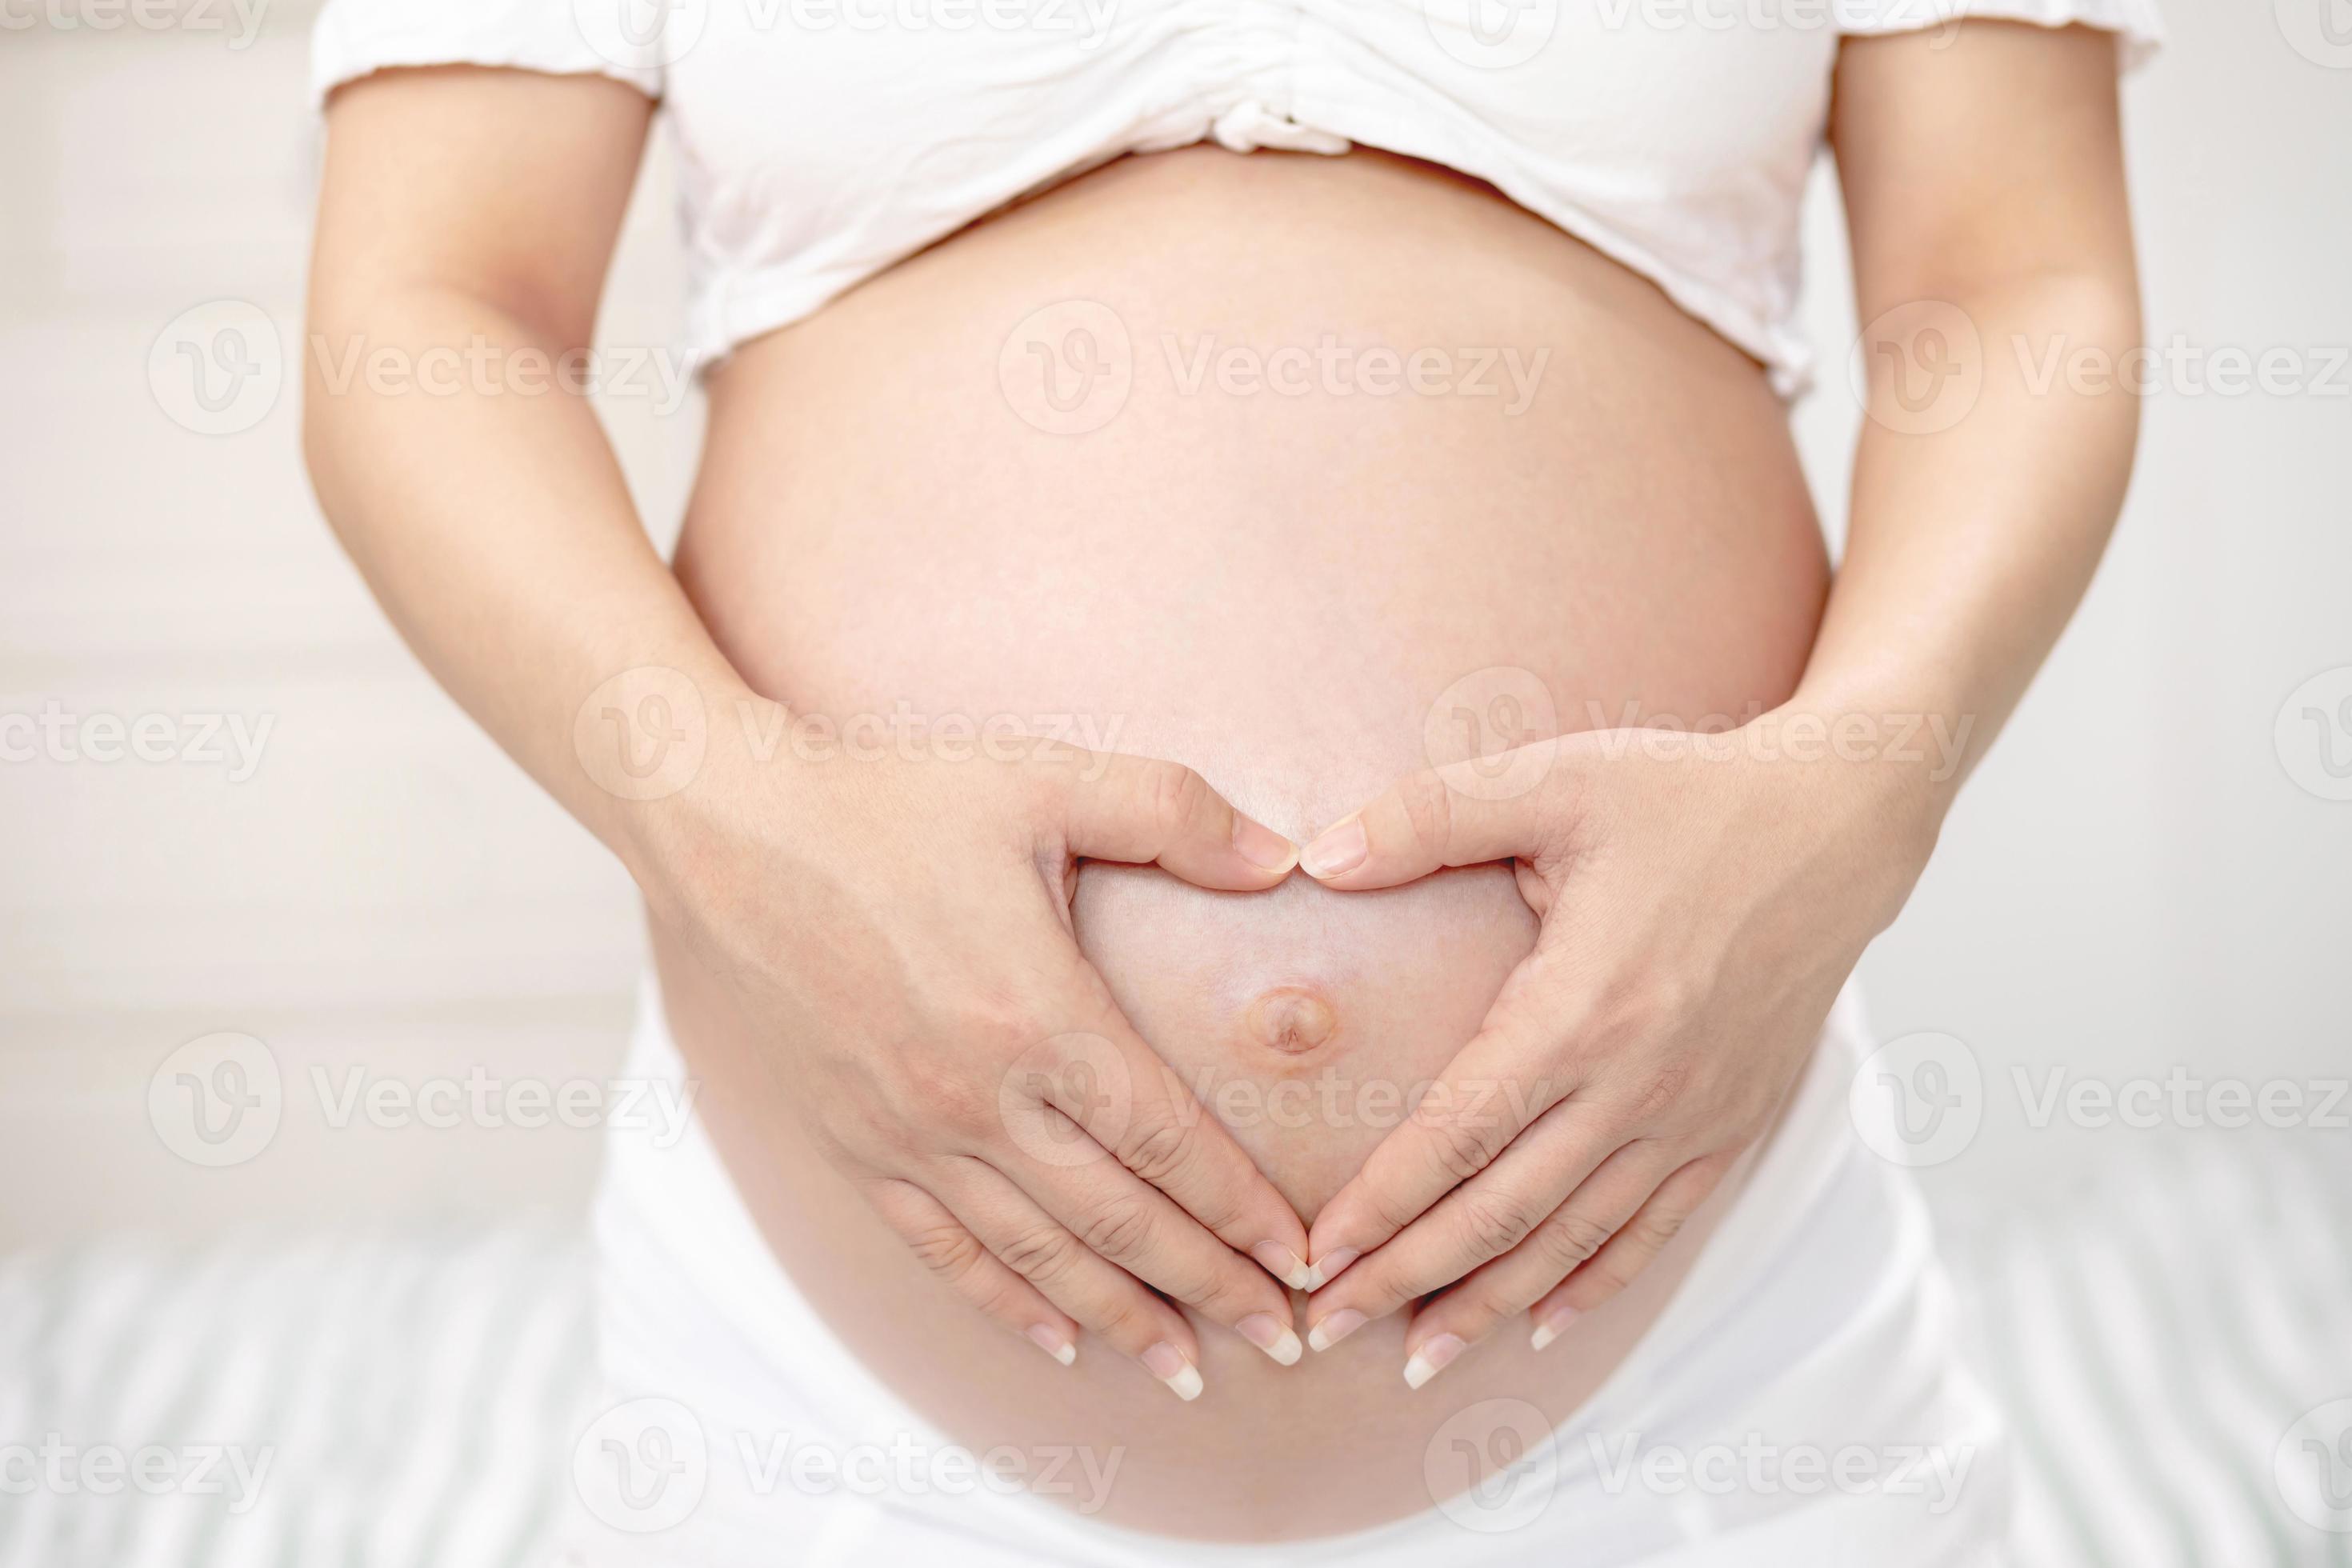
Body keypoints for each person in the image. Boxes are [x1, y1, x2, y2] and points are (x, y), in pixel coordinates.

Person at [302, 1, 2155, 1559]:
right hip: (831, 1432)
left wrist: (1858, 787)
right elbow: (433, 311)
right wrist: (739, 829)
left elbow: (2009, 281)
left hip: (1713, 1387)